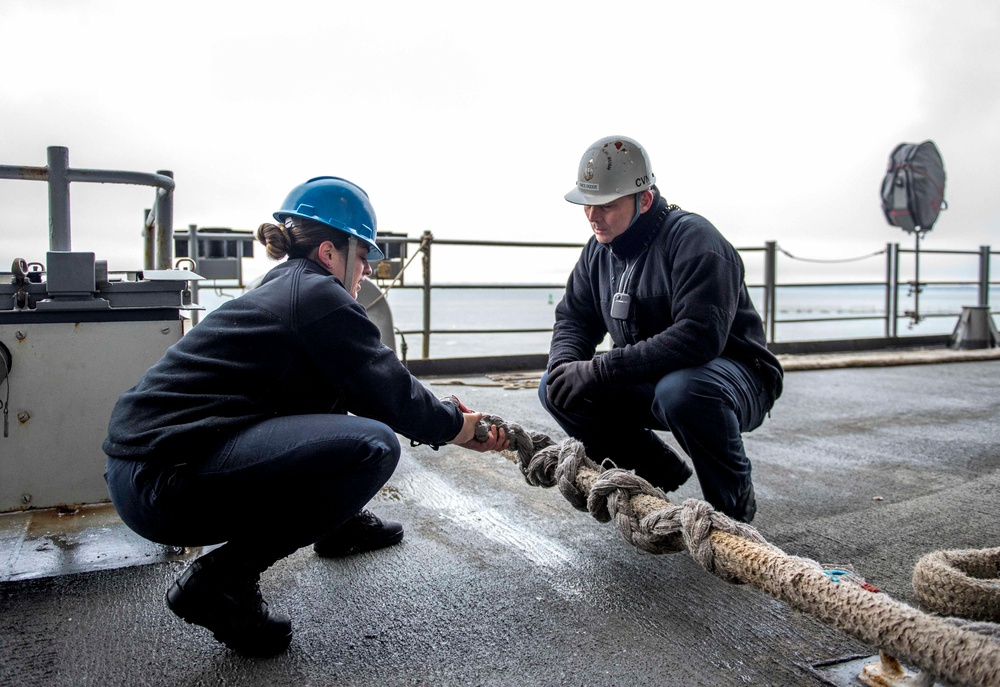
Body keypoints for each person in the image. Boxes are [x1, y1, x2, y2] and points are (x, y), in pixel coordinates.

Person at [103, 176, 508, 657]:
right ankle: (222, 582)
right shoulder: (318, 298)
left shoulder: (285, 287)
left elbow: (353, 383)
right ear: (330, 253)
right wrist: (458, 427)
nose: (364, 274)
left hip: (147, 470)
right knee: (374, 446)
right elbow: (392, 395)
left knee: (330, 391)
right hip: (165, 480)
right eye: (361, 258)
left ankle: (338, 523)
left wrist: (439, 414)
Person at [538, 136, 783, 523]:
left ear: (645, 200)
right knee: (558, 387)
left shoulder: (695, 240)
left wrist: (600, 369)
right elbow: (574, 318)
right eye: (587, 202)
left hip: (736, 375)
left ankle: (733, 509)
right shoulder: (597, 251)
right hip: (657, 376)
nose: (592, 215)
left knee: (683, 391)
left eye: (607, 205)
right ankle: (656, 470)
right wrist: (567, 365)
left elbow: (699, 337)